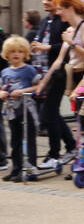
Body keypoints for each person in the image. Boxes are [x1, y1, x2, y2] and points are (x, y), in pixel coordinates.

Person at [29, 0, 72, 167]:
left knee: (48, 114)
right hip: (43, 73)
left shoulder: (64, 20)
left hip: (58, 73)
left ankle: (54, 154)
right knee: (52, 113)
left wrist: (47, 48)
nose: (45, 2)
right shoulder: (45, 20)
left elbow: (67, 45)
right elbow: (42, 42)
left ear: (59, 0)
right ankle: (71, 145)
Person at [0, 36, 41, 181]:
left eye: (20, 51)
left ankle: (30, 168)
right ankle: (16, 168)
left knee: (29, 139)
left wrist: (23, 91)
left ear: (25, 53)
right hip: (12, 110)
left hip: (26, 109)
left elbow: (38, 86)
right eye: (12, 51)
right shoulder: (5, 72)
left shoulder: (29, 70)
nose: (16, 54)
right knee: (15, 140)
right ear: (7, 54)